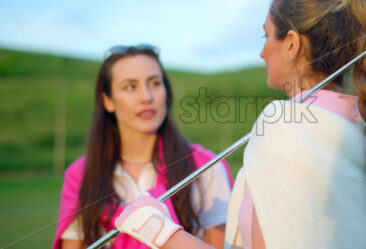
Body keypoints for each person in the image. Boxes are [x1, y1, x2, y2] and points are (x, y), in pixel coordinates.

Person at [111, 0, 366, 249]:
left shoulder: (283, 126)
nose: (261, 51)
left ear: (292, 44)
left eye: (266, 35)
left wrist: (159, 230)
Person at [52, 44, 233, 249]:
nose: (147, 96)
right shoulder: (80, 175)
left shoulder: (206, 166)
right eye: (130, 86)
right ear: (108, 101)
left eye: (155, 83)